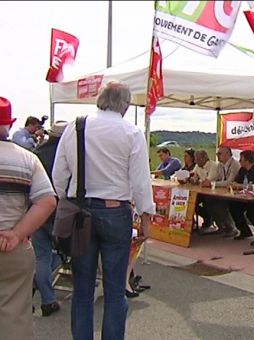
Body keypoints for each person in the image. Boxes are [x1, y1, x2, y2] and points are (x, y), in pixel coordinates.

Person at [53, 81, 155, 340]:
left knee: (83, 291)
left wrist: (69, 200)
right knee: (114, 291)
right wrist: (145, 217)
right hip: (115, 211)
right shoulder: (131, 132)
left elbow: (59, 174)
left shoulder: (76, 126)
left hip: (80, 212)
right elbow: (141, 181)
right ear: (125, 105)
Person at [0, 97, 57, 340]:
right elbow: (47, 201)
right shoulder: (26, 159)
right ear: (9, 124)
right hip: (13, 247)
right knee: (15, 315)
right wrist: (18, 233)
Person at [32, 120, 68, 317]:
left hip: (37, 211)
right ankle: (37, 284)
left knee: (42, 256)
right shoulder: (68, 154)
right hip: (61, 212)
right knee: (67, 251)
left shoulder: (37, 153)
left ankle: (46, 298)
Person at [202, 146, 240, 238]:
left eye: (219, 153)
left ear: (227, 154)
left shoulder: (235, 165)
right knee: (207, 201)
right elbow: (217, 178)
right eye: (217, 154)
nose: (217, 155)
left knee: (219, 204)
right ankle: (221, 226)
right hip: (222, 192)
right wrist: (207, 181)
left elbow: (229, 182)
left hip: (234, 194)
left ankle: (231, 227)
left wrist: (211, 183)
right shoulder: (220, 165)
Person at [191, 150, 219, 232]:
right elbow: (193, 177)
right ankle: (192, 223)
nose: (195, 161)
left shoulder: (213, 165)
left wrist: (197, 181)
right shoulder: (197, 166)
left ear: (204, 158)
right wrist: (194, 180)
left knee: (207, 201)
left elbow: (208, 182)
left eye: (197, 159)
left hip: (213, 192)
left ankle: (208, 218)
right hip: (202, 192)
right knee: (190, 201)